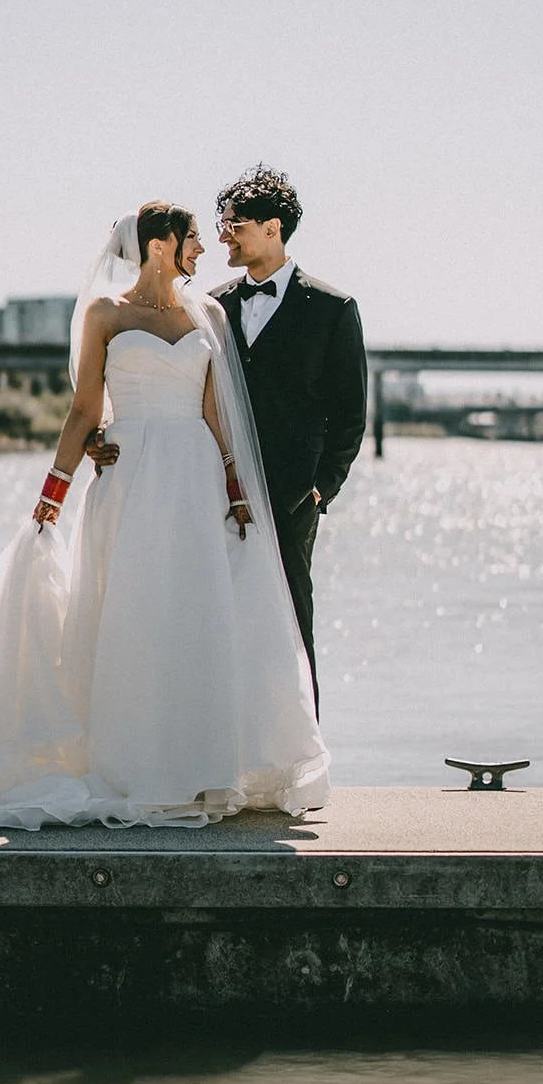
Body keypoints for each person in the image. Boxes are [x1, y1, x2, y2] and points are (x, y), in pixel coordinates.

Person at [0, 202, 329, 830]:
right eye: (193, 238)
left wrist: (233, 483)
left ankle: (198, 767)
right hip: (131, 475)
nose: (202, 249)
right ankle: (129, 763)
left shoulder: (212, 316)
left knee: (194, 613)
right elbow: (84, 407)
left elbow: (214, 410)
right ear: (159, 246)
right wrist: (53, 489)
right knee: (130, 612)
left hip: (195, 478)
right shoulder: (105, 315)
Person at [211, 166, 367, 713]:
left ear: (272, 228)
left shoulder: (332, 309)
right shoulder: (212, 308)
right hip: (215, 489)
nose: (223, 235)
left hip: (293, 494)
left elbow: (350, 413)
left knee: (293, 619)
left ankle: (302, 755)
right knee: (219, 618)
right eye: (222, 224)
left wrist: (321, 489)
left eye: (234, 224)